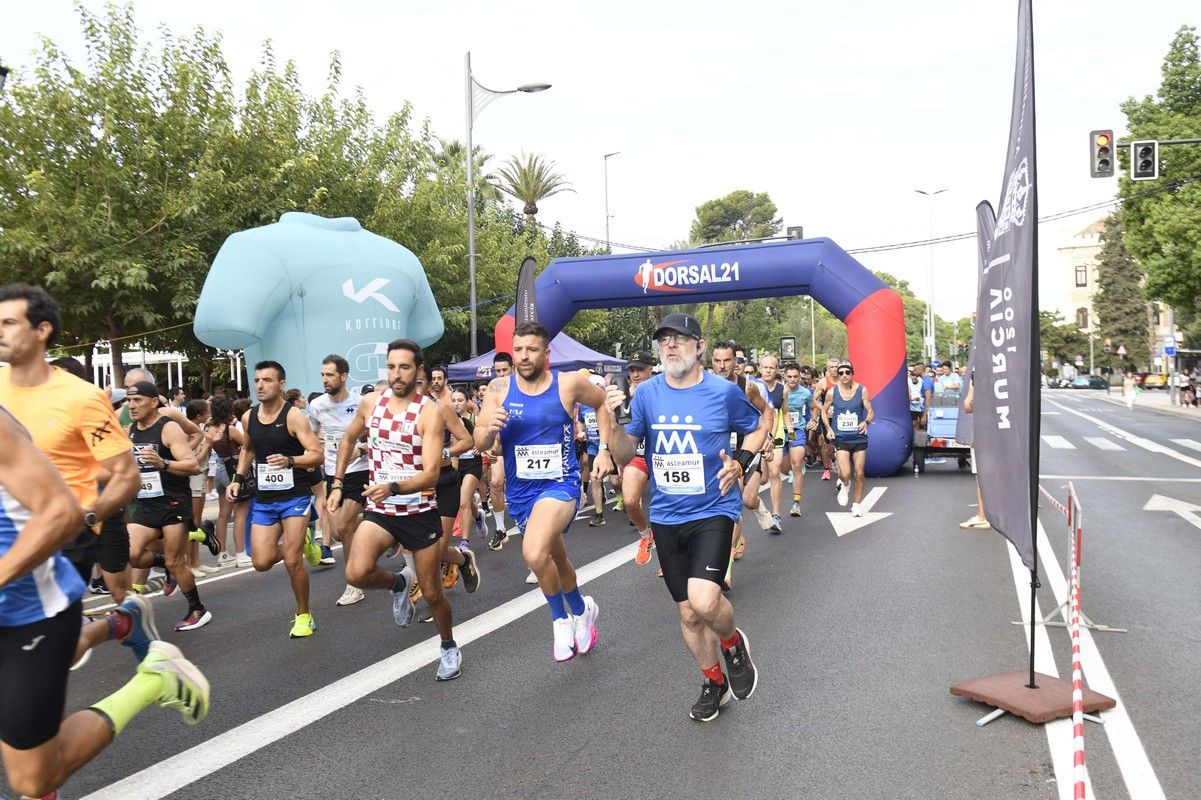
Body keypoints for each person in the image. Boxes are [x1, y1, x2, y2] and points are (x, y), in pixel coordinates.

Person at [0, 403, 209, 800]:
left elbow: (66, 506)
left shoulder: (68, 403)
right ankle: (121, 622)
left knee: (33, 779)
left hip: (27, 607)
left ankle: (153, 679)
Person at [604, 313, 761, 722]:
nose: (671, 346)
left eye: (680, 339)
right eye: (664, 341)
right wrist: (615, 420)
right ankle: (714, 682)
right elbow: (625, 453)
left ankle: (732, 644)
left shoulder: (724, 392)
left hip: (714, 507)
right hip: (668, 515)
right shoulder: (646, 394)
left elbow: (758, 428)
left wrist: (742, 460)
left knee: (705, 598)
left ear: (699, 346)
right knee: (688, 613)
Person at [475, 322, 611, 662]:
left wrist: (605, 448)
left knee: (535, 553)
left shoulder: (568, 384)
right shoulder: (498, 389)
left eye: (532, 349)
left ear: (546, 353)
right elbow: (480, 441)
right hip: (521, 492)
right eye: (519, 349)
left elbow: (602, 403)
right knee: (557, 557)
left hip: (560, 484)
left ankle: (559, 619)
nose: (524, 356)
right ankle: (582, 610)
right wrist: (489, 432)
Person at [329, 339, 464, 681]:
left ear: (418, 370)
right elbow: (347, 440)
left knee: (433, 593)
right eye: (391, 367)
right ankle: (398, 585)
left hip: (419, 510)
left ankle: (448, 646)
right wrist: (336, 482)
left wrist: (391, 486)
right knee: (355, 573)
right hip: (381, 510)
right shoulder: (371, 403)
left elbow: (432, 472)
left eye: (404, 367)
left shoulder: (429, 412)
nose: (396, 374)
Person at [0, 285, 141, 602]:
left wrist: (88, 516)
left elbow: (126, 475)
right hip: (7, 530)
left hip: (64, 536)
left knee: (41, 641)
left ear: (42, 330)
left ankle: (122, 621)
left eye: (8, 323)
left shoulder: (82, 398)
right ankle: (117, 624)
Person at [226, 361, 324, 638]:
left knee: (292, 561)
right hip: (266, 500)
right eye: (257, 380)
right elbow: (247, 449)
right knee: (260, 561)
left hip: (295, 496)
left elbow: (317, 454)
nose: (260, 385)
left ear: (281, 385)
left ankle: (304, 615)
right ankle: (303, 543)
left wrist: (290, 460)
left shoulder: (293, 417)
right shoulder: (248, 417)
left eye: (267, 380)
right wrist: (237, 479)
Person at [124, 382, 214, 631]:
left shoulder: (169, 428)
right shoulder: (130, 430)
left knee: (177, 562)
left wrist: (163, 463)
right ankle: (167, 563)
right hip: (144, 503)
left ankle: (197, 609)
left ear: (154, 402)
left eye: (138, 400)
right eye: (130, 400)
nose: (132, 405)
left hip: (173, 502)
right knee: (131, 554)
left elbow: (192, 466)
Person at [308, 354, 370, 607]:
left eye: (330, 374)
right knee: (335, 532)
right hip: (334, 472)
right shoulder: (317, 406)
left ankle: (354, 583)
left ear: (344, 376)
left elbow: (378, 435)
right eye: (323, 374)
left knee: (343, 527)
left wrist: (362, 448)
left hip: (360, 470)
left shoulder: (362, 403)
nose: (325, 379)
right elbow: (311, 435)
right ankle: (371, 540)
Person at [822, 361, 874, 517]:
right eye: (841, 372)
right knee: (845, 473)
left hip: (859, 438)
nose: (844, 375)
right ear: (837, 374)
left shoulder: (862, 390)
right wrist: (829, 429)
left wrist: (866, 422)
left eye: (848, 372)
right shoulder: (832, 392)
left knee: (859, 473)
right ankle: (845, 485)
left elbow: (871, 411)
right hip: (841, 438)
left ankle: (857, 504)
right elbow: (823, 412)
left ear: (852, 373)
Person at [620, 350, 657, 566]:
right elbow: (613, 425)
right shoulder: (622, 393)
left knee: (668, 511)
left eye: (640, 370)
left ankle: (674, 559)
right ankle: (645, 535)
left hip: (662, 455)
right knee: (630, 500)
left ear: (650, 370)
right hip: (638, 454)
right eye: (632, 370)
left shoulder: (661, 390)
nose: (635, 374)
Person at [485, 352, 516, 550]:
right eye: (498, 371)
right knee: (496, 483)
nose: (501, 374)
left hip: (522, 447)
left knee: (517, 493)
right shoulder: (493, 392)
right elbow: (485, 424)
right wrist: (489, 445)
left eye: (505, 370)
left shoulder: (521, 387)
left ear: (512, 369)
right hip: (501, 447)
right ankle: (500, 529)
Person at [756, 356, 786, 533]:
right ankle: (759, 505)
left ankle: (776, 515)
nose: (768, 370)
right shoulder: (753, 387)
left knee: (775, 473)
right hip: (756, 437)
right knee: (762, 479)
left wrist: (788, 429)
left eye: (771, 368)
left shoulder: (782, 390)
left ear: (776, 370)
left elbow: (784, 413)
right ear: (761, 368)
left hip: (776, 437)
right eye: (765, 367)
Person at [782, 363, 813, 518]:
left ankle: (796, 503)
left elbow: (813, 407)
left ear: (800, 377)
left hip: (796, 431)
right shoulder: (778, 391)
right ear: (784, 377)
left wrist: (814, 420)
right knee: (783, 468)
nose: (793, 380)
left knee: (796, 464)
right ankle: (789, 469)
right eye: (790, 377)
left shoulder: (805, 393)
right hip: (780, 432)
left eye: (796, 377)